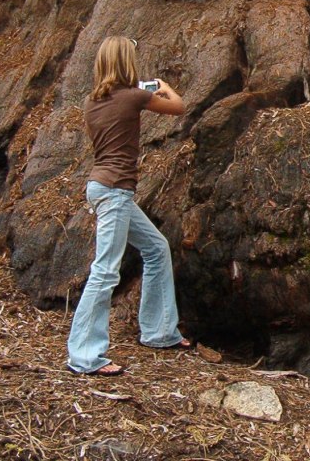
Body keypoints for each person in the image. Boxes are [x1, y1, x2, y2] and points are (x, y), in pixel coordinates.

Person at [67, 36, 189, 376]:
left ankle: (160, 331)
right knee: (105, 271)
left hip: (101, 187)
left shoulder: (92, 102)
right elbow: (178, 107)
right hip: (115, 191)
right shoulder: (135, 96)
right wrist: (162, 85)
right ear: (126, 62)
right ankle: (85, 356)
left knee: (156, 247)